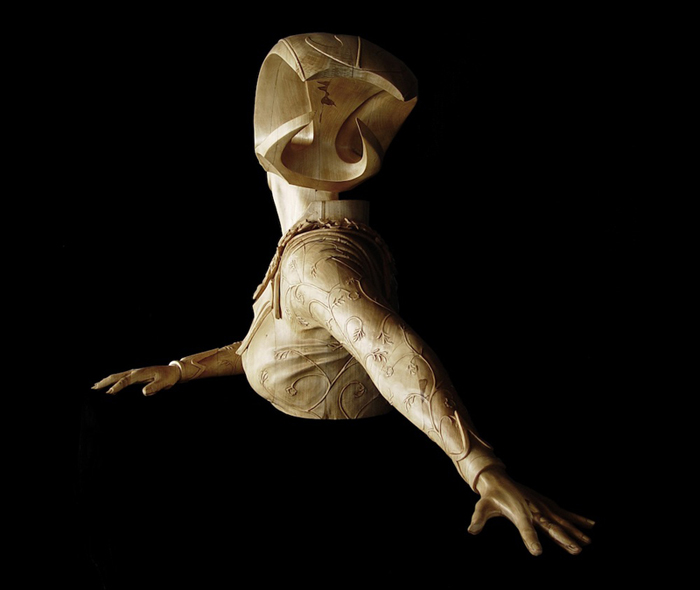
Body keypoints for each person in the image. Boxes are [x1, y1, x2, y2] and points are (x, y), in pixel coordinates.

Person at [93, 33, 594, 556]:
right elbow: (282, 346)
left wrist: (480, 467)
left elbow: (389, 349)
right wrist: (181, 369)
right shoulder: (313, 245)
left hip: (334, 480)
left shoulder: (315, 260)